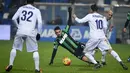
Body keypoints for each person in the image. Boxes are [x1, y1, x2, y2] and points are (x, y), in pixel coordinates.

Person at [73, 4, 128, 70]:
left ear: (91, 9)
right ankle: (120, 61)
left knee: (86, 52)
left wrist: (75, 17)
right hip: (102, 37)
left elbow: (80, 21)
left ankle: (96, 64)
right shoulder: (102, 17)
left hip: (94, 37)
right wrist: (104, 34)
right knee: (110, 50)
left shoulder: (90, 16)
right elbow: (105, 27)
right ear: (97, 10)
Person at [5, 0, 43, 73]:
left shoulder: (21, 8)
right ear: (33, 2)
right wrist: (39, 33)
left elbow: (13, 18)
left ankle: (10, 64)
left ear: (26, 1)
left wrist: (18, 26)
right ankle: (37, 69)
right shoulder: (36, 10)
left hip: (20, 31)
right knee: (35, 50)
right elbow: (40, 22)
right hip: (31, 32)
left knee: (14, 48)